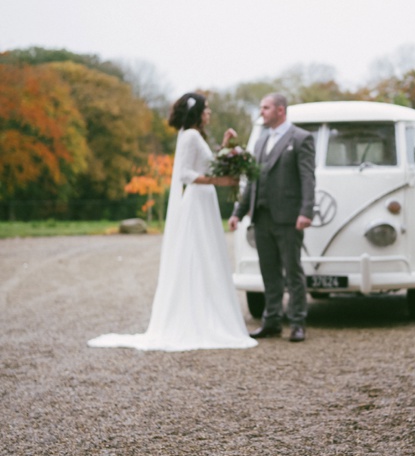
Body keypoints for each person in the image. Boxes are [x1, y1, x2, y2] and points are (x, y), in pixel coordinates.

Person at [88, 92, 257, 352]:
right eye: (206, 109)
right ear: (197, 113)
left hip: (204, 200)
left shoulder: (195, 136)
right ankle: (198, 319)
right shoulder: (190, 136)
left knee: (207, 255)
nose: (209, 112)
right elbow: (187, 173)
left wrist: (224, 147)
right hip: (198, 201)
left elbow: (206, 164)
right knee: (198, 256)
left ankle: (208, 311)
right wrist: (220, 182)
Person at [229, 93, 315, 342]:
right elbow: (253, 182)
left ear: (280, 110)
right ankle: (272, 321)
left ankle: (298, 323)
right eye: (261, 107)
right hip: (262, 217)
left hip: (289, 218)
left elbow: (308, 178)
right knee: (269, 272)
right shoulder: (260, 141)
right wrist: (238, 212)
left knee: (293, 272)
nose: (261, 112)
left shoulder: (301, 138)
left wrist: (305, 211)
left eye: (265, 108)